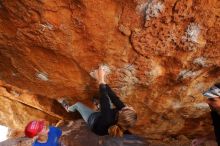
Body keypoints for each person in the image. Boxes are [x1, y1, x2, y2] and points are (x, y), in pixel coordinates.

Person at [58, 65, 137, 137]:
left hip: (94, 122)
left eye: (130, 108)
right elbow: (114, 97)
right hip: (103, 119)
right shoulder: (124, 119)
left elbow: (104, 97)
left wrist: (101, 77)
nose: (130, 106)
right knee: (107, 102)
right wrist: (99, 79)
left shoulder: (108, 117)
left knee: (78, 105)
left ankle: (68, 108)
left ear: (121, 112)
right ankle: (98, 106)